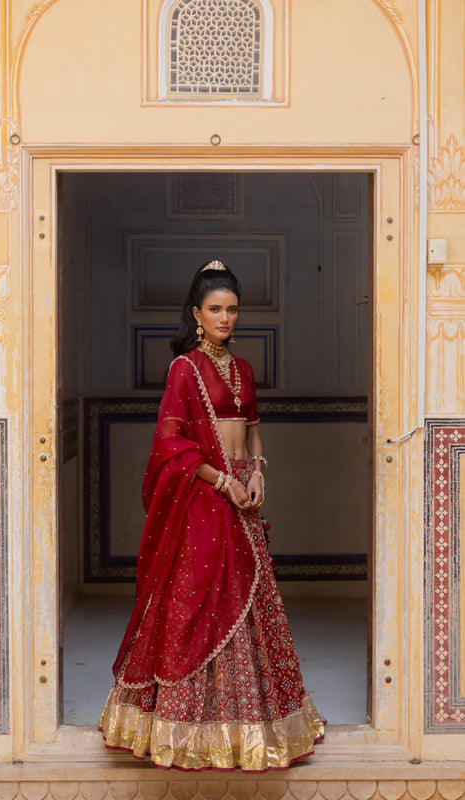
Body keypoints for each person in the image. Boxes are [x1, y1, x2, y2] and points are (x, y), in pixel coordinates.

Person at [99, 260, 325, 771]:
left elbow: (252, 428)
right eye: (216, 310)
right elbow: (170, 444)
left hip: (245, 490)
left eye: (233, 310)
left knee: (251, 601)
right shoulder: (185, 369)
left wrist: (258, 472)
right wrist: (222, 480)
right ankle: (189, 730)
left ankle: (254, 726)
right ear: (197, 314)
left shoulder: (243, 369)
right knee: (202, 602)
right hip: (206, 494)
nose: (226, 318)